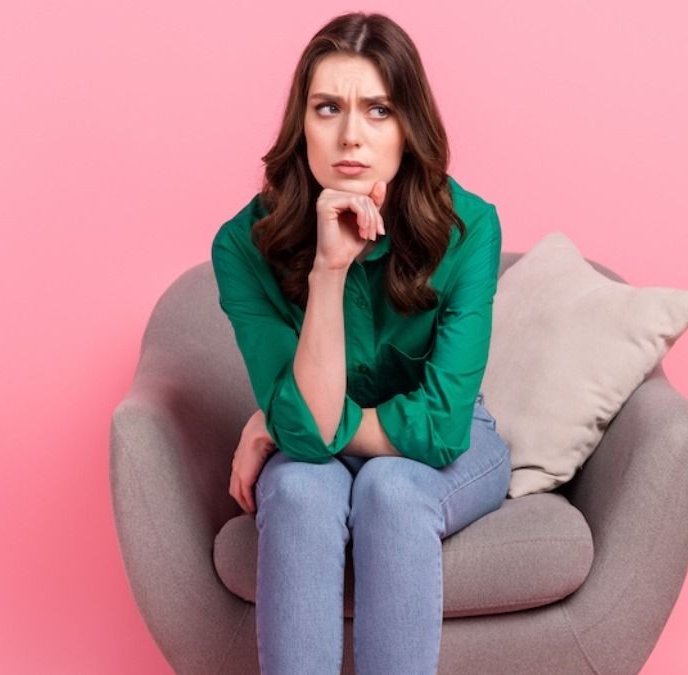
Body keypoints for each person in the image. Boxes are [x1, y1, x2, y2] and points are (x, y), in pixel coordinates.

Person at [211, 11, 510, 675]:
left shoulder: (471, 228)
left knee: (391, 489)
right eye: (328, 108)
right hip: (318, 438)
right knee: (298, 490)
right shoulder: (241, 244)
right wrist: (329, 269)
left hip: (449, 440)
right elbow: (310, 439)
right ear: (302, 125)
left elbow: (440, 428)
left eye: (379, 109)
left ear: (409, 126)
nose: (352, 135)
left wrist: (282, 421)